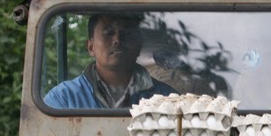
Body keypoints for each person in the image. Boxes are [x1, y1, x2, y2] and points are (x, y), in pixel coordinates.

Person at [44, 14, 175, 109]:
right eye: (108, 33)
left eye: (126, 34)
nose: (117, 39)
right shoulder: (63, 98)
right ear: (91, 47)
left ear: (138, 47)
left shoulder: (168, 98)